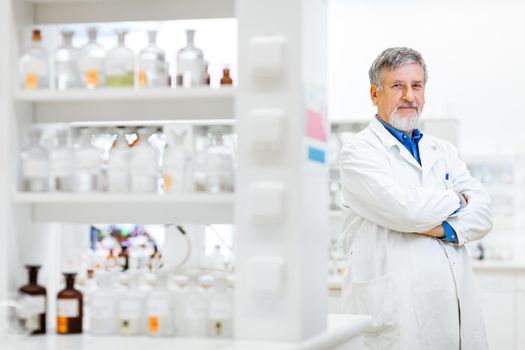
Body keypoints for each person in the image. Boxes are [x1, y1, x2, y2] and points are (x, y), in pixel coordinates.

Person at [339, 47, 493, 350]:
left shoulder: (443, 151)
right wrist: (457, 200)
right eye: (398, 86)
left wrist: (441, 229)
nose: (409, 95)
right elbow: (403, 209)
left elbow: (484, 213)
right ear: (375, 93)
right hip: (396, 317)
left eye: (417, 86)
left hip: (450, 310)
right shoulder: (358, 152)